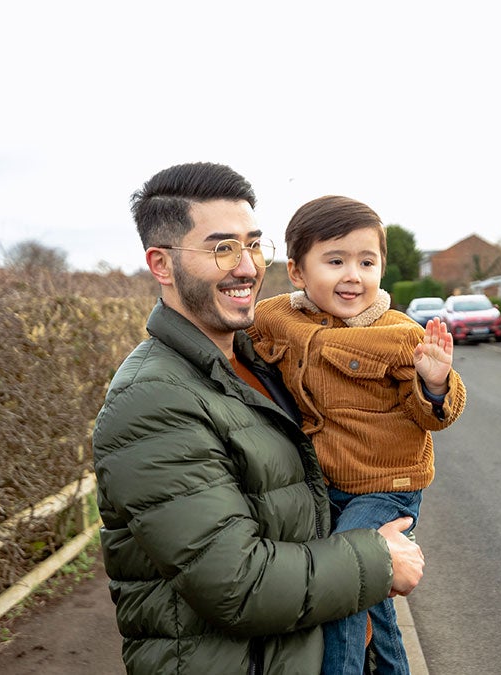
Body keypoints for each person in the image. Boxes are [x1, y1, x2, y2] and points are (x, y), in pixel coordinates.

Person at [91, 163, 425, 675]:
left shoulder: (263, 359)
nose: (246, 267)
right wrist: (377, 561)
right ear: (161, 264)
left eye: (252, 245)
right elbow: (235, 584)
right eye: (222, 248)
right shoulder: (151, 400)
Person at [248, 195, 467, 674]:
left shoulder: (399, 335)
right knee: (376, 602)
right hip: (326, 488)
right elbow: (238, 338)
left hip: (386, 489)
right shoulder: (276, 316)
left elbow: (437, 415)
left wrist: (433, 382)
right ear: (298, 272)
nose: (354, 275)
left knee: (347, 577)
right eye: (335, 260)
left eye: (367, 262)